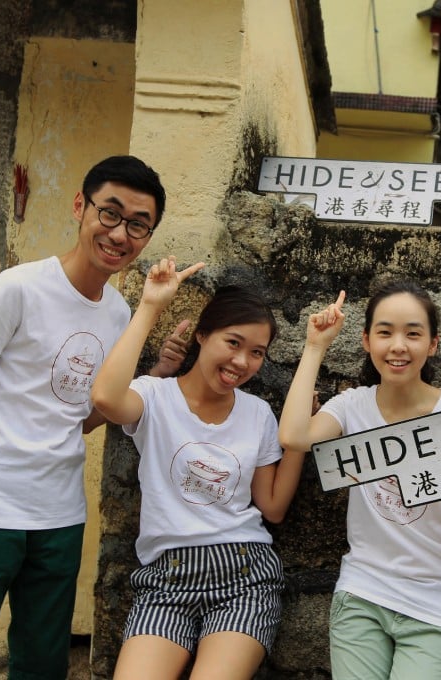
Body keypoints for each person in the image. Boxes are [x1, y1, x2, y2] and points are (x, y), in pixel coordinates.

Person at [0, 155, 173, 678]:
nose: (119, 234)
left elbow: (80, 415)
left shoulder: (117, 313)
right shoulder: (20, 287)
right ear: (81, 206)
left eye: (137, 225)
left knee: (41, 664)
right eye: (110, 213)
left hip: (59, 517)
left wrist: (157, 370)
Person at [91, 260, 307, 680]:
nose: (242, 361)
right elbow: (104, 398)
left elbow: (274, 507)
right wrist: (151, 305)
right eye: (233, 342)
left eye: (257, 353)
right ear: (202, 335)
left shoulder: (259, 413)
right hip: (165, 581)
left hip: (244, 575)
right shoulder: (153, 396)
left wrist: (297, 439)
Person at [278, 281, 441, 680]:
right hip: (363, 593)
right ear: (366, 340)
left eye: (413, 333)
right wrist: (315, 346)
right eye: (385, 332)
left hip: (437, 605)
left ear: (433, 344)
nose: (398, 346)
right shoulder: (351, 406)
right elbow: (293, 437)